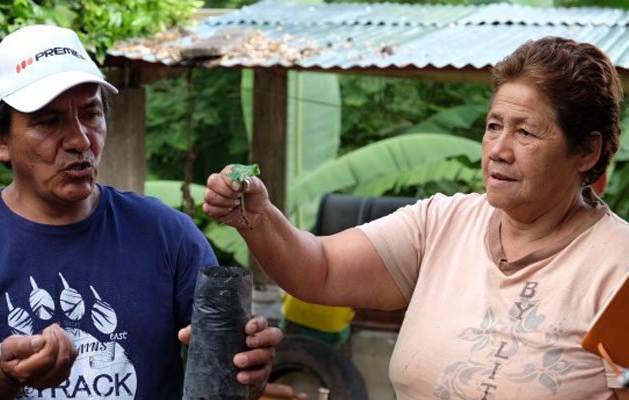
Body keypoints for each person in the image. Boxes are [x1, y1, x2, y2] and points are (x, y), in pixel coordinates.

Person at [204, 36, 629, 400]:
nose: (499, 148)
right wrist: (259, 218)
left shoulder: (618, 266)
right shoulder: (442, 222)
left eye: (525, 132)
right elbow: (322, 269)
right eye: (494, 125)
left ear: (587, 152)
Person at [0, 24, 281, 400]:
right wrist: (1, 375)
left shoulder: (168, 235)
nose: (80, 140)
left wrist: (250, 369)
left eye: (91, 114)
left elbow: (227, 375)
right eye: (48, 122)